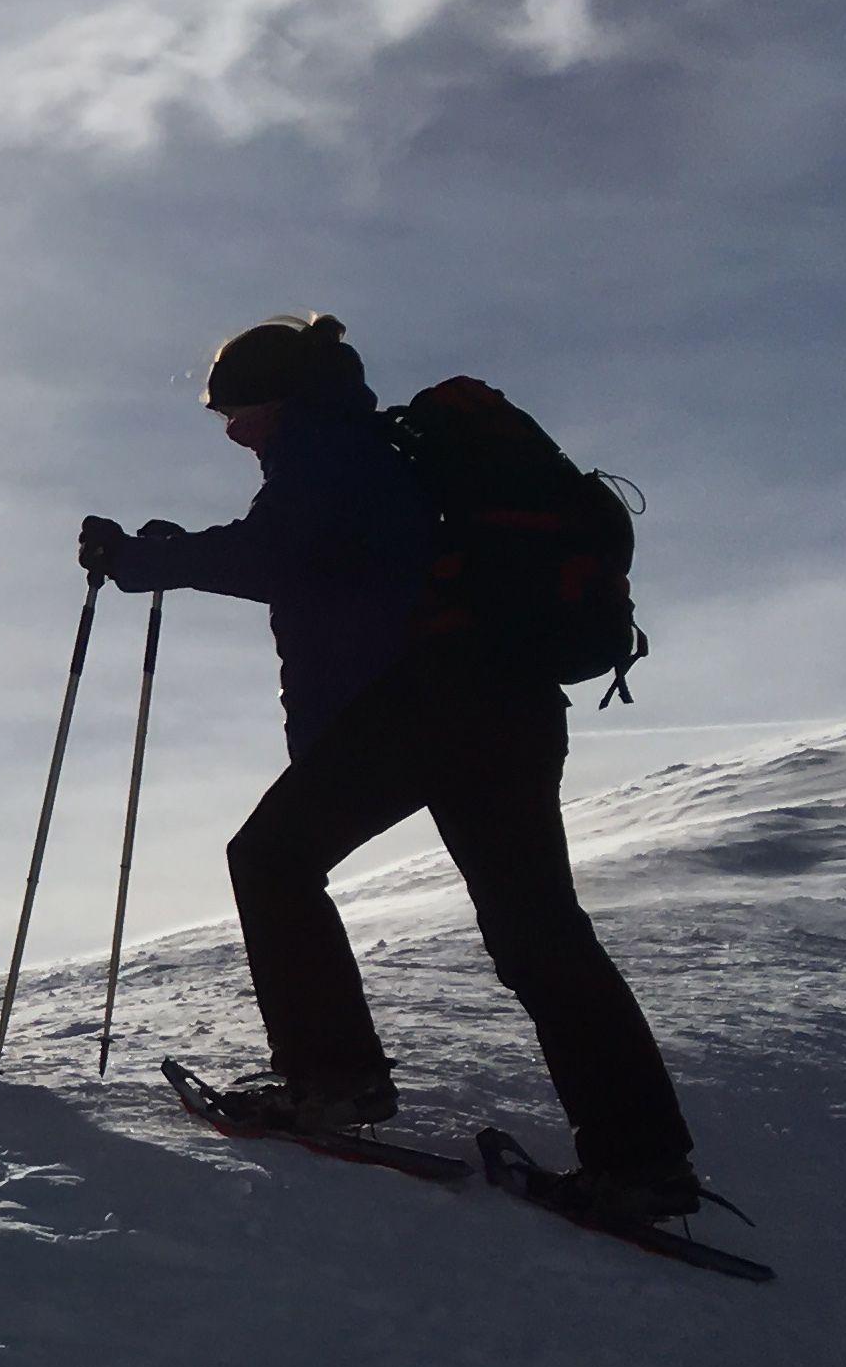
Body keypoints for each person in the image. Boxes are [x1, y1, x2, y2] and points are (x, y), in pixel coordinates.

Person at [79, 312, 704, 1222]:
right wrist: (175, 550)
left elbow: (271, 552)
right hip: (508, 700)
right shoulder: (378, 450)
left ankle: (334, 1081)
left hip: (427, 697)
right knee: (538, 928)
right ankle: (642, 1160)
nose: (232, 429)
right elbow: (313, 552)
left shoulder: (323, 444)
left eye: (239, 408)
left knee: (271, 859)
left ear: (279, 398)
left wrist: (142, 560)